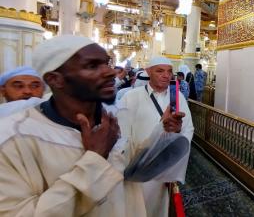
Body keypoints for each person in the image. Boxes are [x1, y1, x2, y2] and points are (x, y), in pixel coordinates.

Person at [0, 35, 168, 216]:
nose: (110, 72)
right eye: (92, 66)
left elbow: (131, 167)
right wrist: (95, 159)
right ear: (55, 79)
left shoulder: (116, 117)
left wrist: (163, 129)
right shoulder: (14, 137)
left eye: (107, 63)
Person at [118, 56, 194, 217]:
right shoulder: (131, 97)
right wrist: (129, 162)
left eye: (169, 71)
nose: (166, 75)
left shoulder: (178, 98)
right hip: (136, 164)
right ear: (148, 72)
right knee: (134, 206)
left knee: (158, 207)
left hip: (163, 167)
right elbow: (122, 134)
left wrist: (173, 163)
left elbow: (188, 129)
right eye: (160, 71)